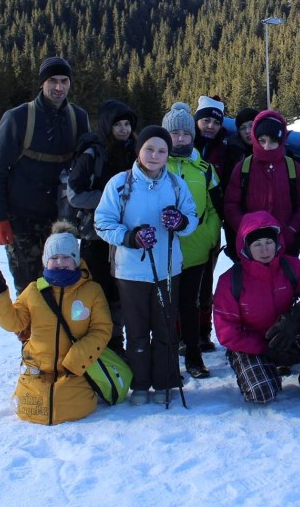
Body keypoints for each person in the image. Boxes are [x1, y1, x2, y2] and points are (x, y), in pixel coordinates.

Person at [94, 125, 199, 406]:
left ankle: (165, 382)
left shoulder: (176, 184)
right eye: (149, 149)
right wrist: (130, 237)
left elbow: (192, 217)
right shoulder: (120, 184)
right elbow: (102, 222)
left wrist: (181, 222)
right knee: (137, 330)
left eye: (161, 150)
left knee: (166, 328)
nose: (155, 155)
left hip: (168, 269)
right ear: (139, 150)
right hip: (130, 271)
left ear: (168, 154)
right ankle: (140, 385)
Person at [0, 222, 113, 425]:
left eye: (66, 257)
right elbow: (15, 322)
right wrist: (0, 296)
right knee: (35, 408)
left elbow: (102, 329)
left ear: (76, 261)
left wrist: (75, 361)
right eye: (54, 258)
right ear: (46, 261)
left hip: (75, 370)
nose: (60, 262)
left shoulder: (92, 291)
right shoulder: (34, 290)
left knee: (67, 407)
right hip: (38, 370)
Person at [212, 210, 300, 407]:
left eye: (269, 242)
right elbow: (227, 332)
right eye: (257, 244)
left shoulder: (291, 267)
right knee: (262, 392)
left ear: (277, 242)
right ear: (246, 247)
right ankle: (259, 370)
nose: (265, 250)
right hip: (251, 345)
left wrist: (297, 316)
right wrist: (265, 350)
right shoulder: (230, 280)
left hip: (286, 334)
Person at [0, 56, 91, 291]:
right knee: (30, 289)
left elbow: (88, 167)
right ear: (42, 83)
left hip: (62, 221)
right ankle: (29, 330)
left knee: (63, 287)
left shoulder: (78, 118)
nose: (59, 87)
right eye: (52, 80)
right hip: (22, 220)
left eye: (64, 81)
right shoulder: (18, 118)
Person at [65, 98, 137, 353]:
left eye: (127, 124)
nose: (124, 129)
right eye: (118, 124)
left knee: (122, 293)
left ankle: (120, 344)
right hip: (95, 237)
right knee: (100, 293)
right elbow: (74, 194)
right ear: (107, 125)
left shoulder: (135, 150)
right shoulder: (93, 153)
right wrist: (109, 200)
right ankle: (104, 345)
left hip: (127, 235)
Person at [162, 102, 223, 379]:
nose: (182, 139)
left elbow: (213, 207)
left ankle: (194, 358)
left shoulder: (204, 169)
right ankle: (166, 358)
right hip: (164, 249)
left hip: (196, 249)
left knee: (190, 304)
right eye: (175, 134)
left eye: (186, 134)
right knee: (164, 306)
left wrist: (210, 235)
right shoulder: (156, 165)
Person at [224, 109, 300, 258]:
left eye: (273, 141)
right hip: (253, 246)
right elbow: (231, 205)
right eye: (262, 141)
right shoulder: (243, 168)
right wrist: (247, 229)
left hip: (287, 246)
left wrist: (291, 229)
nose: (267, 146)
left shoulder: (292, 167)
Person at [192, 93, 230, 352]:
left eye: (215, 123)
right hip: (182, 228)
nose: (210, 126)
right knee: (183, 284)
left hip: (212, 226)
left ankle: (203, 332)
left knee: (205, 281)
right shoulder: (183, 146)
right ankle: (184, 332)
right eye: (205, 120)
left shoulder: (226, 150)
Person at [224, 106, 259, 172]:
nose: (247, 131)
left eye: (251, 125)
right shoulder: (233, 154)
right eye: (243, 128)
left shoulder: (274, 149)